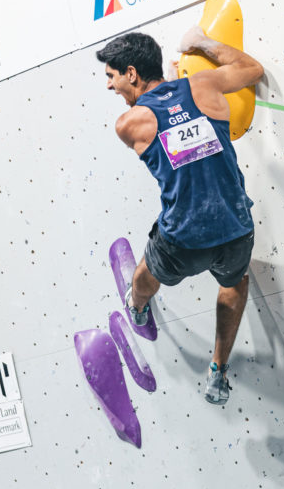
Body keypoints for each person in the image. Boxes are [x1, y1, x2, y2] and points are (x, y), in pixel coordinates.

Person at [96, 26, 263, 405]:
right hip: (236, 228)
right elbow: (251, 68)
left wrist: (171, 90)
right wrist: (199, 44)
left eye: (112, 76)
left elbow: (164, 119)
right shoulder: (204, 87)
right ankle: (218, 370)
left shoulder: (128, 125)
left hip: (184, 240)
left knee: (144, 274)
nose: (110, 86)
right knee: (234, 283)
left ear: (132, 74)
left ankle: (136, 308)